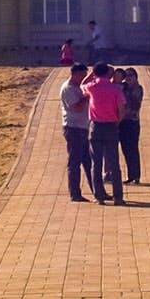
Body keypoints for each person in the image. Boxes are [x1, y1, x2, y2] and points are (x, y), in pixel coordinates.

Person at [82, 63, 125, 205]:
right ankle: (118, 197)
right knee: (114, 163)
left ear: (95, 73)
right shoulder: (116, 89)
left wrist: (92, 74)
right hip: (111, 126)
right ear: (108, 73)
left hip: (96, 126)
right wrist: (117, 122)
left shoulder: (92, 87)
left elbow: (82, 84)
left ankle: (99, 196)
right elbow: (121, 109)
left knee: (96, 163)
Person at [59, 62, 92, 202]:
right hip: (73, 128)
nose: (83, 78)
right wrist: (87, 95)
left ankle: (97, 190)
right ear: (75, 74)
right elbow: (77, 107)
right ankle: (75, 193)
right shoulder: (68, 88)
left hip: (82, 128)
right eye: (82, 75)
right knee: (75, 162)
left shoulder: (78, 86)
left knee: (88, 161)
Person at [119, 67, 143, 184]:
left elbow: (134, 104)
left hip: (132, 122)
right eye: (126, 76)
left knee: (133, 148)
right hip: (122, 122)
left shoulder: (137, 89)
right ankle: (130, 175)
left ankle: (136, 175)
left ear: (135, 77)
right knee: (125, 149)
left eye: (131, 76)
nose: (128, 78)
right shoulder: (122, 87)